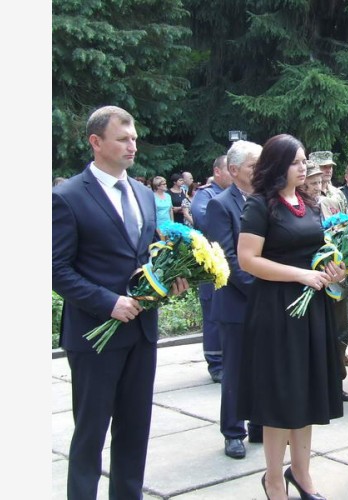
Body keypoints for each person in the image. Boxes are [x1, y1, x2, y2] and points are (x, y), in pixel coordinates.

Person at [52, 105, 189, 499]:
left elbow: (144, 258)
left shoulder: (143, 194)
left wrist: (168, 279)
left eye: (134, 139)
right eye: (123, 139)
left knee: (134, 430)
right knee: (90, 434)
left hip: (142, 332)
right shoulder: (67, 196)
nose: (133, 146)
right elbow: (56, 268)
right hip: (95, 334)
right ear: (96, 142)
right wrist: (107, 302)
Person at [237, 134, 346, 500]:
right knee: (281, 399)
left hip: (313, 309)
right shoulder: (260, 206)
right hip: (276, 311)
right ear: (278, 165)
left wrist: (336, 269)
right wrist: (300, 275)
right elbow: (248, 260)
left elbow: (320, 252)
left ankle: (301, 473)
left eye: (304, 161)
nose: (304, 168)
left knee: (307, 394)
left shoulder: (310, 203)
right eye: (297, 162)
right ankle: (272, 480)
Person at [205, 141, 264, 459]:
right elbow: (226, 258)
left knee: (262, 368)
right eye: (254, 165)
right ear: (234, 169)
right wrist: (261, 291)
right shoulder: (221, 205)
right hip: (237, 302)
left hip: (264, 298)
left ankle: (259, 425)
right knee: (236, 372)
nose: (260, 170)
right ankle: (233, 431)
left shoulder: (265, 199)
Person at [301, 161, 348, 402]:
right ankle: (315, 385)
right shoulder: (296, 210)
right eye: (311, 183)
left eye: (319, 182)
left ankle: (336, 381)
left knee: (340, 331)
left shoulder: (330, 203)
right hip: (310, 281)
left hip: (336, 279)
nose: (317, 187)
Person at [190, 155, 233, 383]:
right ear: (217, 172)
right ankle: (216, 363)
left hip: (231, 263)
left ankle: (231, 361)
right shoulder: (206, 194)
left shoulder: (236, 194)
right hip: (211, 266)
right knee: (213, 314)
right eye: (229, 169)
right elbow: (204, 221)